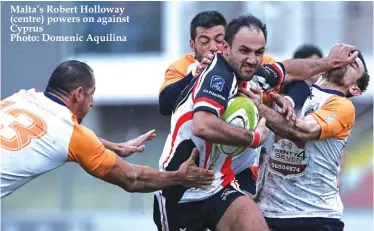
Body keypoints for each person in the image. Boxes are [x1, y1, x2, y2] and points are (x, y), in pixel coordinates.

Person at [156, 13, 358, 231]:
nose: (252, 59)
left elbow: (288, 69)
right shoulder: (218, 75)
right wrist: (254, 138)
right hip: (182, 188)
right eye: (244, 51)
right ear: (226, 48)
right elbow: (202, 124)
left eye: (258, 52)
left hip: (219, 185)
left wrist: (328, 62)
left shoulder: (251, 71)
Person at [0, 60, 215, 198]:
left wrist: (113, 146)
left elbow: (51, 131)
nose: (92, 103)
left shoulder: (22, 97)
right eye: (91, 94)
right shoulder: (70, 135)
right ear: (79, 94)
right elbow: (133, 178)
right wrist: (179, 177)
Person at [242, 48, 369, 231]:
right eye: (343, 57)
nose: (346, 61)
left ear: (354, 89)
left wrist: (259, 108)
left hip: (315, 216)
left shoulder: (342, 105)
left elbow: (302, 131)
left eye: (354, 63)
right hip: (269, 213)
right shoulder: (290, 91)